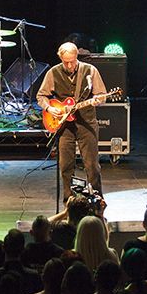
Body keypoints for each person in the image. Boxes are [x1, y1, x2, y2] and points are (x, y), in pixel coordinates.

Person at [36, 42, 108, 202]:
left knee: (92, 165)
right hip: (64, 125)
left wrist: (98, 100)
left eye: (72, 61)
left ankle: (97, 200)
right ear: (60, 58)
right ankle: (69, 201)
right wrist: (49, 108)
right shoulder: (53, 72)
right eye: (66, 61)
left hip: (87, 122)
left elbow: (101, 95)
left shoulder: (90, 71)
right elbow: (41, 96)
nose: (69, 65)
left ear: (77, 57)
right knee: (66, 165)